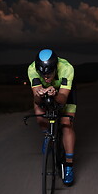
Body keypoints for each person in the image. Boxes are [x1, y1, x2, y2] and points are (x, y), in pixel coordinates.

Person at [28, 48, 76, 185]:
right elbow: (37, 101)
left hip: (64, 92)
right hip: (44, 92)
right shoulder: (31, 69)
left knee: (66, 124)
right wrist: (39, 94)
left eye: (49, 74)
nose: (46, 78)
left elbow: (63, 98)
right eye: (42, 74)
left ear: (55, 67)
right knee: (39, 115)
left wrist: (55, 94)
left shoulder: (67, 68)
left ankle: (69, 166)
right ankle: (47, 136)